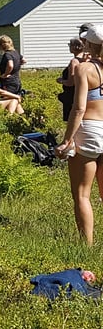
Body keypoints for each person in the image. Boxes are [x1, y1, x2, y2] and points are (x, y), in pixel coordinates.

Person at [56, 25, 103, 244]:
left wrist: (67, 140)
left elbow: (79, 108)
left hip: (90, 130)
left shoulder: (86, 69)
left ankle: (88, 245)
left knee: (82, 194)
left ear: (90, 45)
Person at [59, 37, 86, 122]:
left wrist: (61, 81)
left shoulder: (74, 61)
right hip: (82, 94)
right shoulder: (86, 59)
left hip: (71, 95)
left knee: (72, 120)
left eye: (70, 45)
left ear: (75, 47)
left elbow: (71, 82)